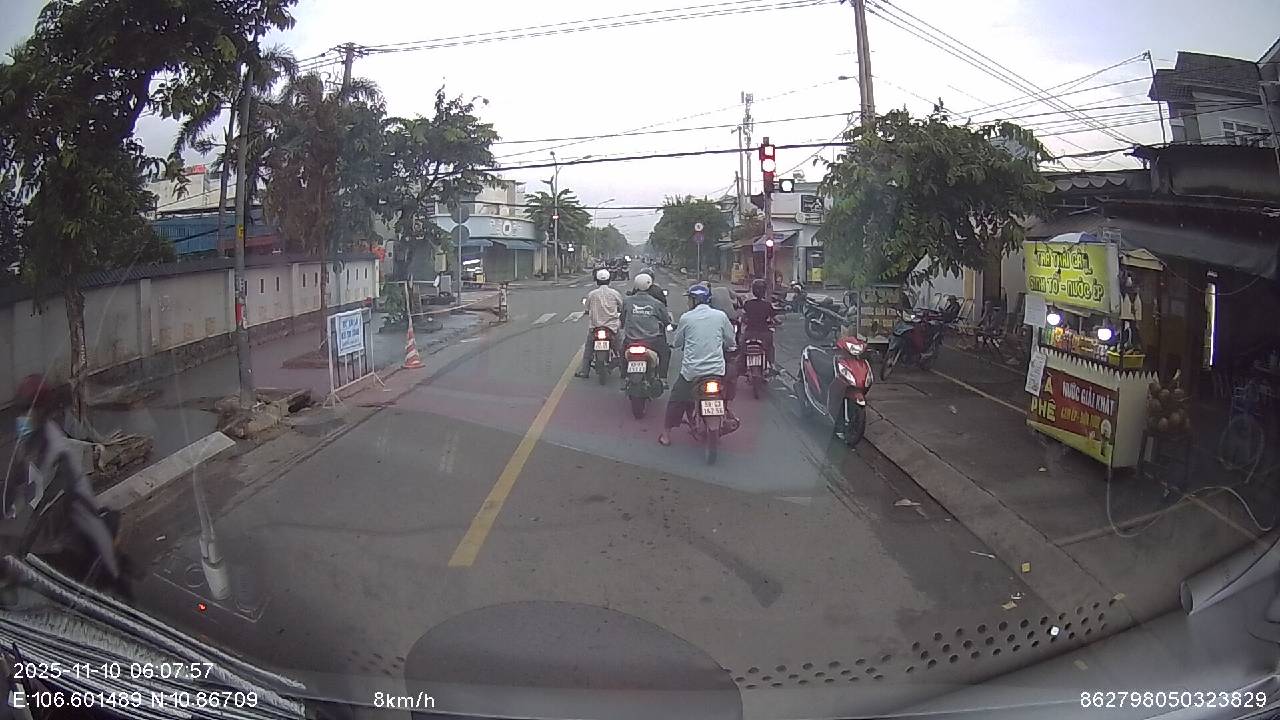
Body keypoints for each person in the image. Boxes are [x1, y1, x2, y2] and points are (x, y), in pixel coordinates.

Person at [9, 375, 129, 598]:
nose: (23, 417)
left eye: (29, 411)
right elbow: (15, 479)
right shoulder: (27, 441)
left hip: (69, 521)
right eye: (22, 410)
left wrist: (26, 539)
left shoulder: (58, 451)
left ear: (43, 413)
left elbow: (52, 500)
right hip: (43, 521)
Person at [658, 284, 738, 447]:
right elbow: (731, 341)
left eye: (689, 299)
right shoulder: (720, 316)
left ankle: (666, 434)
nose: (688, 302)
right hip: (716, 371)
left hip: (692, 373)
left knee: (676, 399)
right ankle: (726, 411)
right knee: (730, 380)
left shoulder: (686, 318)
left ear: (695, 300)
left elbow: (677, 342)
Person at [575, 268, 625, 379]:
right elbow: (622, 306)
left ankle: (584, 371)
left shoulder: (592, 294)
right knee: (620, 349)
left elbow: (587, 307)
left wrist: (588, 311)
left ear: (597, 280)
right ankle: (624, 371)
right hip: (612, 327)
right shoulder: (615, 293)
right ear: (609, 280)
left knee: (588, 349)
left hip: (596, 327)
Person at [621, 274, 673, 378]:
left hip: (631, 340)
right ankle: (662, 378)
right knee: (666, 352)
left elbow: (622, 318)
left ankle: (624, 373)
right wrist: (669, 324)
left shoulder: (627, 301)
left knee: (622, 351)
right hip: (652, 340)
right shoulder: (657, 303)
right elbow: (666, 320)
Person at [740, 278, 778, 371]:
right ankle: (772, 365)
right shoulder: (767, 305)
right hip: (764, 333)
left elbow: (743, 318)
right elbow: (774, 318)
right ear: (764, 291)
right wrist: (776, 322)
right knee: (770, 347)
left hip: (749, 332)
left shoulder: (747, 304)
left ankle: (742, 366)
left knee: (742, 348)